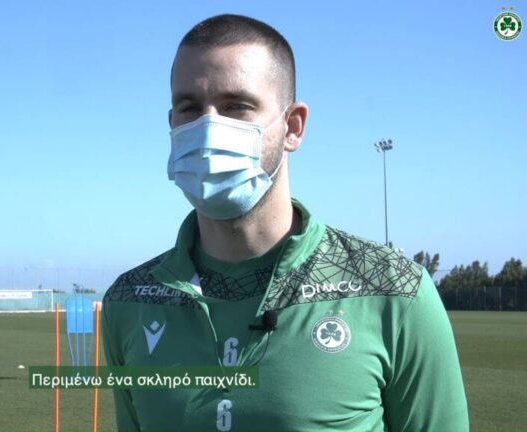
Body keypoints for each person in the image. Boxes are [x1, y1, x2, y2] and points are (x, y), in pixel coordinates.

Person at [101, 14, 468, 432]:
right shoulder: (129, 301)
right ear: (172, 124)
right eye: (189, 108)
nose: (208, 127)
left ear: (293, 127)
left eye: (236, 105)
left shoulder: (396, 292)